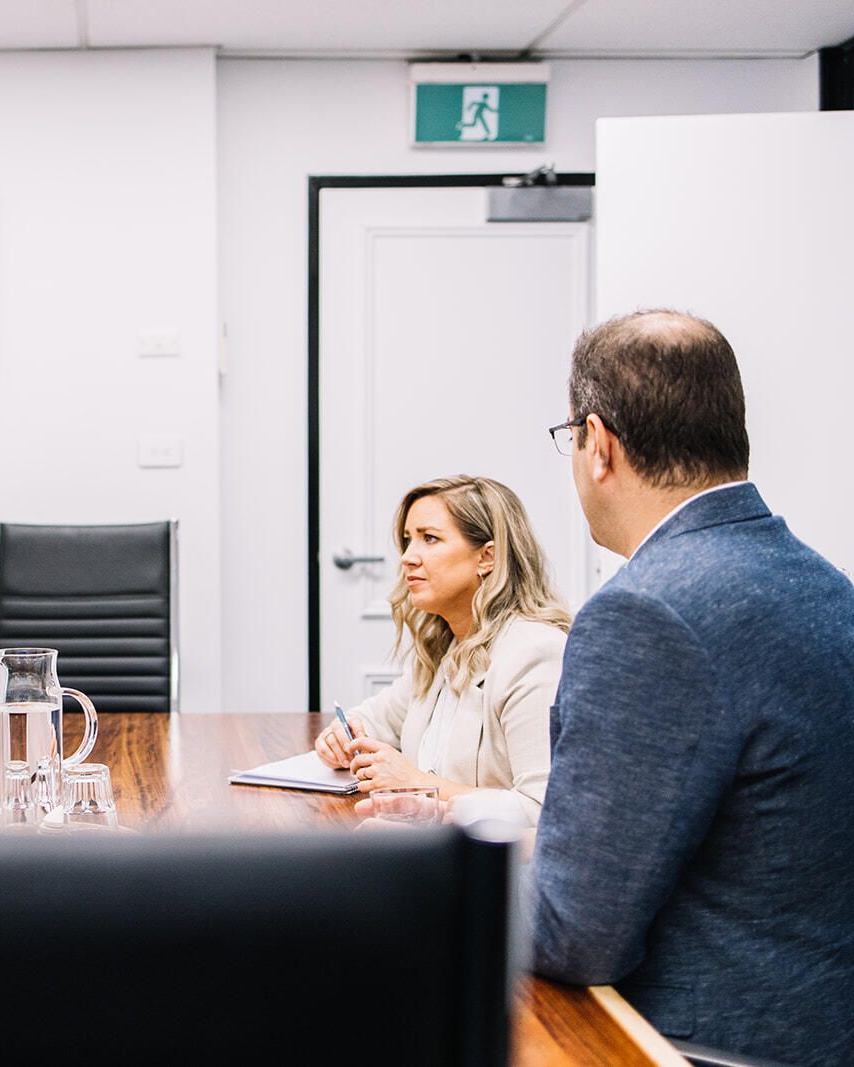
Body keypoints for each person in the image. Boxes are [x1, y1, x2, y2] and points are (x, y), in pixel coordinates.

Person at [533, 311, 854, 1064]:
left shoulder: (644, 612)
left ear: (598, 443)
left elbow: (573, 930)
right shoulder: (823, 583)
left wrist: (453, 878)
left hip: (692, 1044)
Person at [315, 476, 570, 822]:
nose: (407, 558)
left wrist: (418, 783)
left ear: (487, 557)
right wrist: (341, 737)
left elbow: (543, 811)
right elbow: (377, 719)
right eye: (407, 541)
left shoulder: (536, 654)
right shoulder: (447, 645)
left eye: (429, 539)